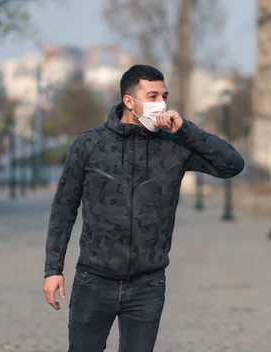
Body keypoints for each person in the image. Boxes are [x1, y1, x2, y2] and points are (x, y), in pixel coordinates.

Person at [43, 64, 245, 352]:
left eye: (164, 96)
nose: (161, 103)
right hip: (94, 280)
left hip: (147, 284)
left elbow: (233, 165)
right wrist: (53, 269)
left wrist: (186, 129)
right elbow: (63, 208)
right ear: (129, 102)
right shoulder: (90, 144)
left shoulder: (174, 146)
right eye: (152, 96)